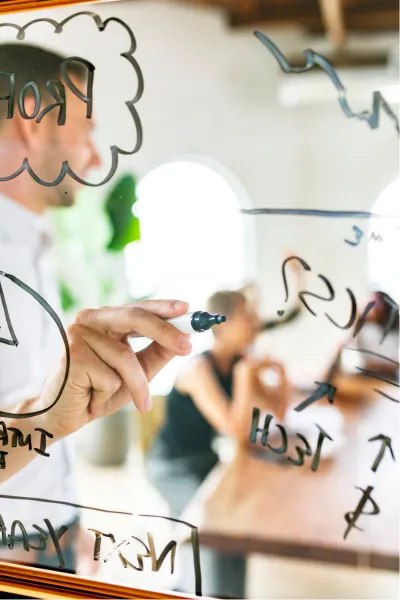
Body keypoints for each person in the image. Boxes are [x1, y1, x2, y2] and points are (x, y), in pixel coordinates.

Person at [0, 43, 192, 573]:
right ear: (35, 125)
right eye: (85, 130)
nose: (95, 156)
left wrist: (65, 520)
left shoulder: (34, 242)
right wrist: (45, 417)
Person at [146, 289, 291, 598]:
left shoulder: (240, 363)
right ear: (222, 324)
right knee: (207, 530)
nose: (254, 323)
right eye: (246, 316)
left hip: (205, 459)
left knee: (235, 524)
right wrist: (244, 377)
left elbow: (279, 411)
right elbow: (235, 429)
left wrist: (281, 374)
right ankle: (190, 590)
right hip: (171, 466)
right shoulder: (199, 370)